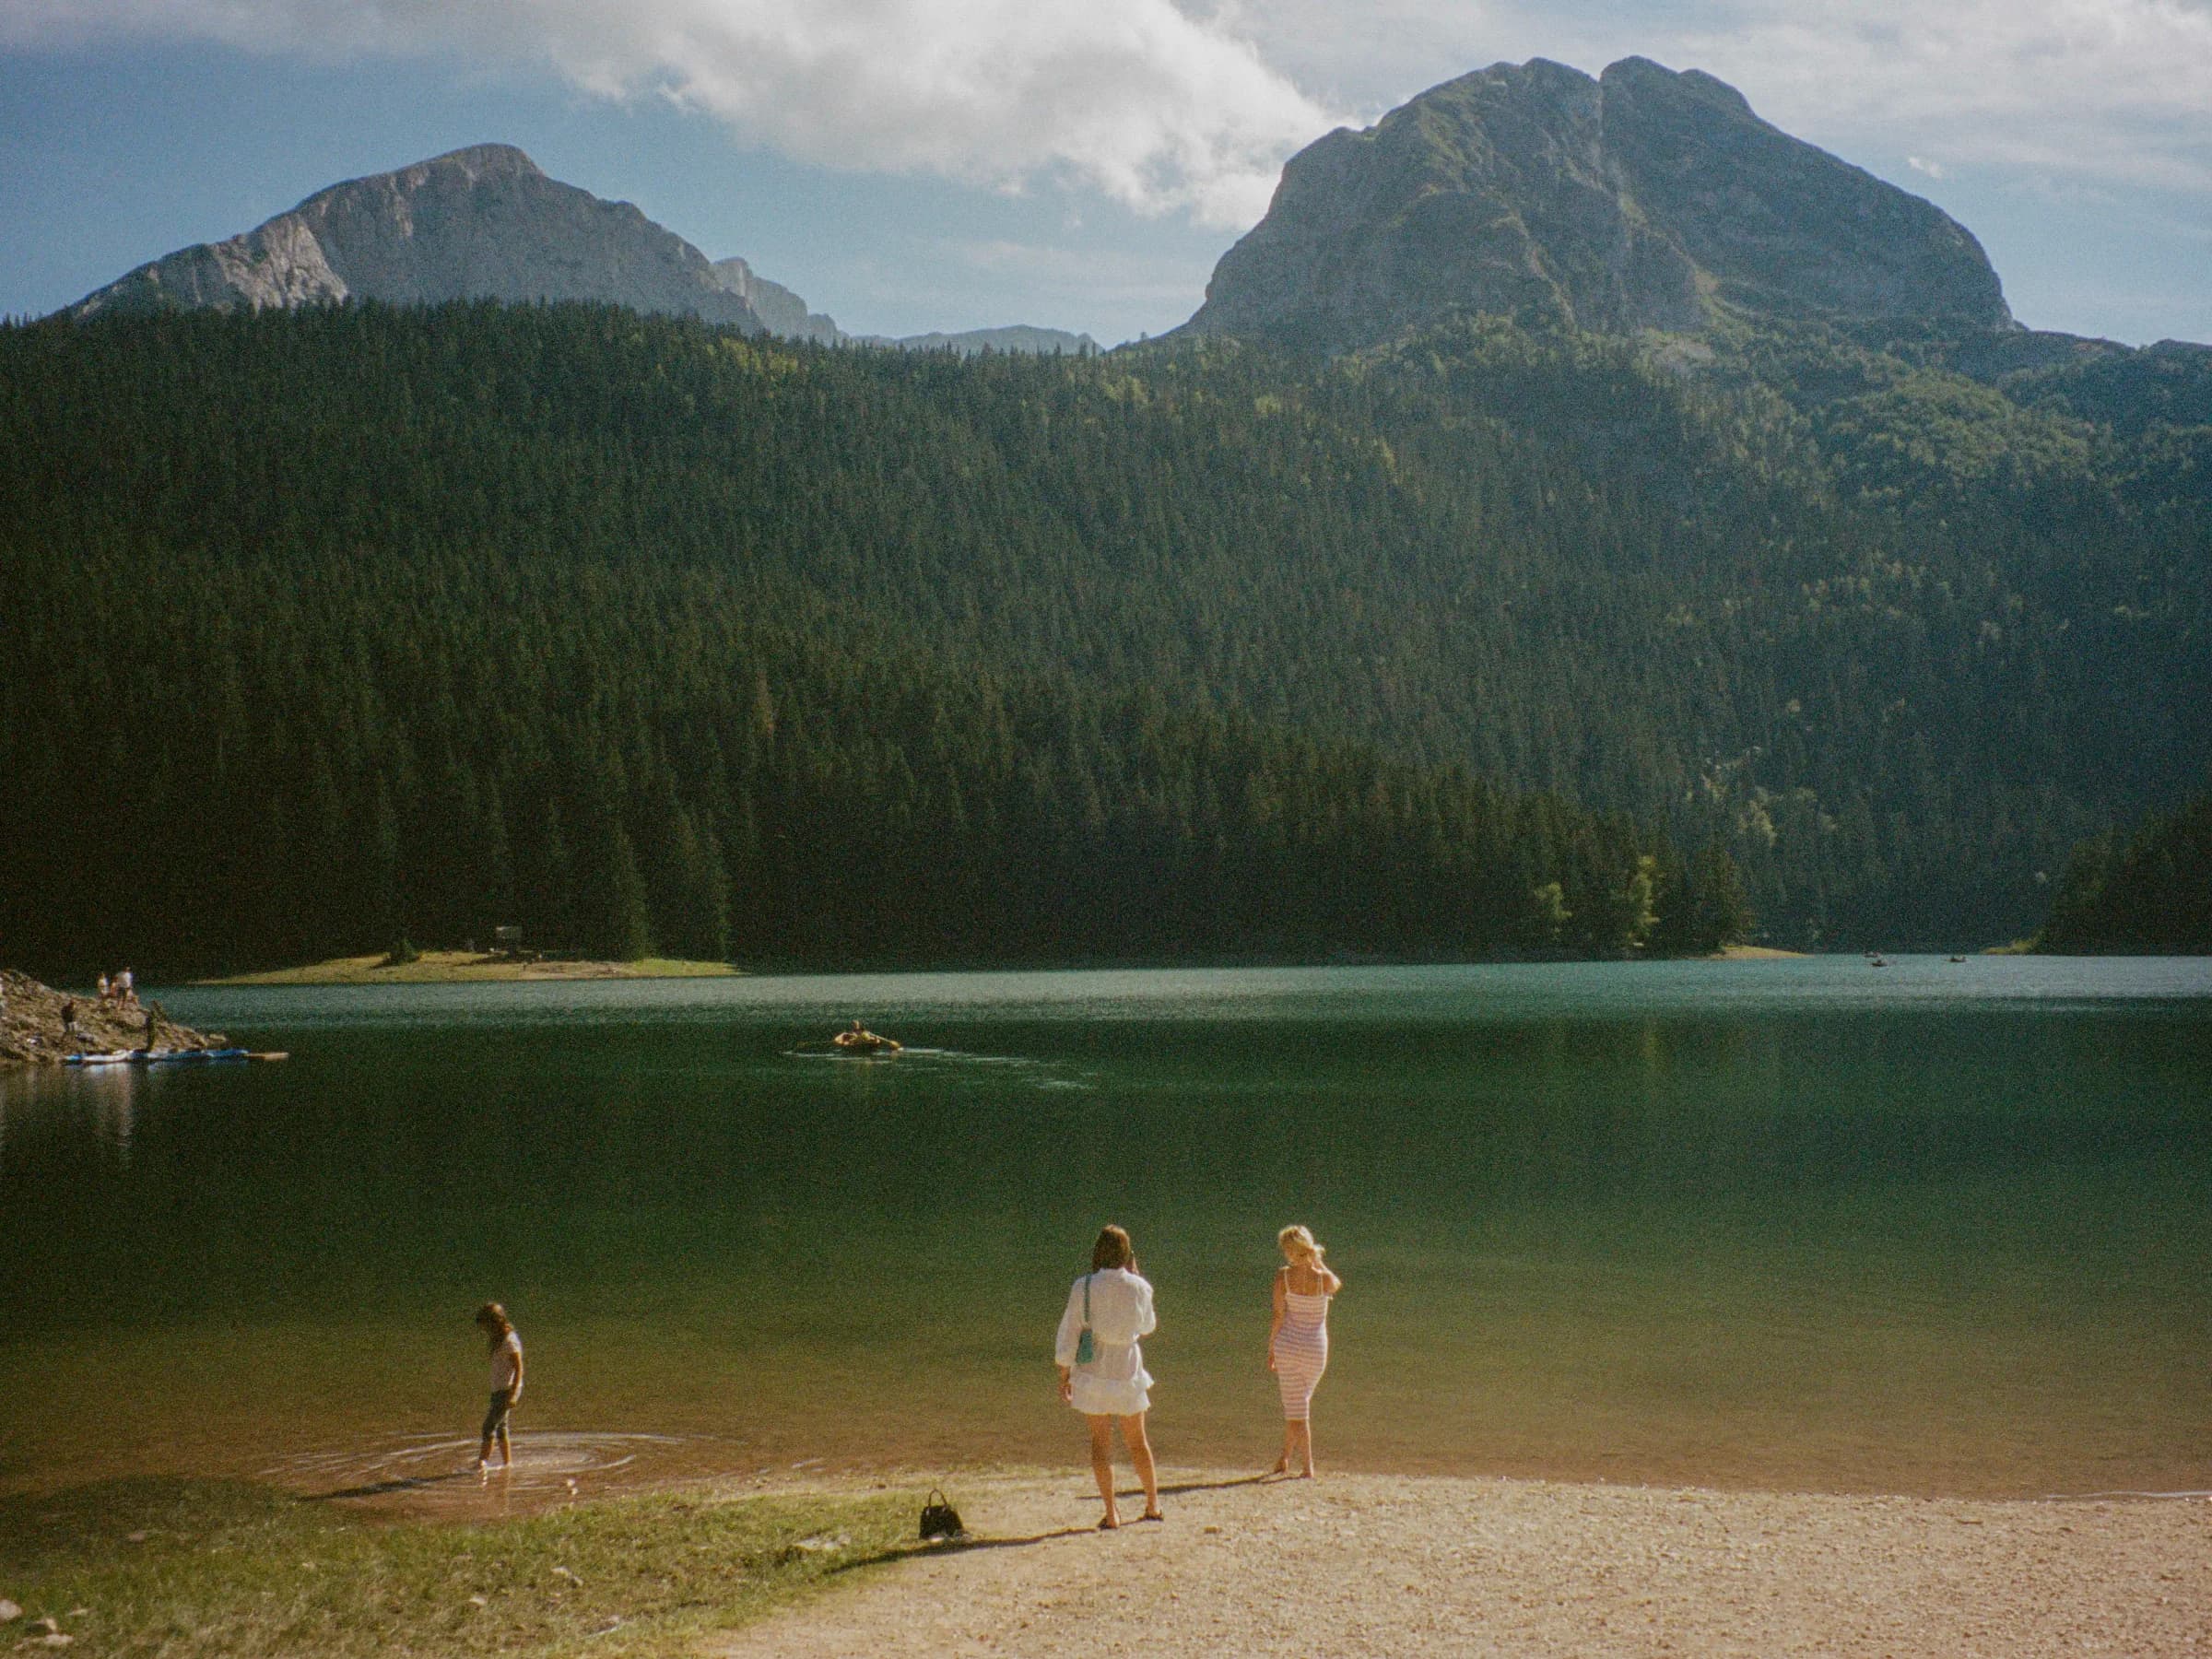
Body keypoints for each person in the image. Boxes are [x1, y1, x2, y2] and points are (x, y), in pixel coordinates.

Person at [1054, 1223, 1161, 1528]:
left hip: (1092, 1371)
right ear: (1127, 1254)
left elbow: (1069, 1334)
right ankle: (1153, 1504)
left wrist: (1064, 1374)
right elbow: (1147, 1327)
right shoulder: (1140, 1287)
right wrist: (1138, 1278)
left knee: (1101, 1441)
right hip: (1127, 1368)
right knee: (1138, 1441)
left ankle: (1112, 1512)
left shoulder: (1083, 1286)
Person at [1266, 1224, 1341, 1478]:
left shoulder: (1283, 1277)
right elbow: (1337, 1284)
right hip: (1315, 1348)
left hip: (1288, 1345)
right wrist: (1318, 1263)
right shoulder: (1324, 1279)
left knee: (1297, 1407)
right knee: (1298, 1404)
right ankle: (1284, 1458)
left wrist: (1271, 1348)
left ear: (1289, 1251)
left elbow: (1278, 1315)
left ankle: (1307, 1465)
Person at [473, 1302, 524, 1473]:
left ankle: (482, 1463)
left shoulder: (509, 1341)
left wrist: (513, 1395)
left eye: (488, 1326)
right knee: (502, 1428)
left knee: (488, 1426)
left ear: (496, 1322)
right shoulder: (499, 1340)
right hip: (498, 1390)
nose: (486, 1331)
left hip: (506, 1390)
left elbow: (519, 1368)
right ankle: (507, 1464)